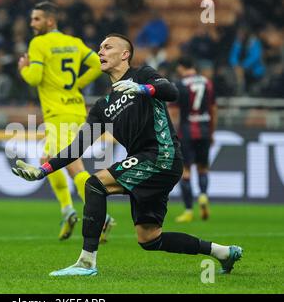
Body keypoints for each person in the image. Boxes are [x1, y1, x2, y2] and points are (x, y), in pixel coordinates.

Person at [12, 33, 242, 276]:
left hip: (161, 155)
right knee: (149, 239)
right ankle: (223, 252)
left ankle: (86, 262)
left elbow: (171, 91)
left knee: (95, 184)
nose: (100, 52)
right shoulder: (102, 107)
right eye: (99, 48)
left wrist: (143, 89)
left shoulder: (142, 75)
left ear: (125, 55)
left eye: (107, 47)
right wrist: (42, 171)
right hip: (147, 162)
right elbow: (77, 147)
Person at [18, 1, 115, 241]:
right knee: (48, 160)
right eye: (32, 19)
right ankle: (68, 210)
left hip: (58, 113)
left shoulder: (39, 43)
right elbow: (98, 64)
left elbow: (34, 77)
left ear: (50, 21)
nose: (32, 24)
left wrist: (23, 68)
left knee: (73, 166)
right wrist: (77, 85)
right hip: (75, 109)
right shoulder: (74, 43)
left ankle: (99, 216)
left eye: (37, 19)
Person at [169, 57, 217, 223]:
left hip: (187, 132)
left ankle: (188, 211)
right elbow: (213, 109)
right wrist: (211, 132)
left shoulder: (180, 84)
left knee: (186, 171)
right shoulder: (207, 83)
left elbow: (174, 113)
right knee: (203, 168)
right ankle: (203, 196)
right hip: (204, 130)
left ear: (181, 68)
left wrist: (173, 133)